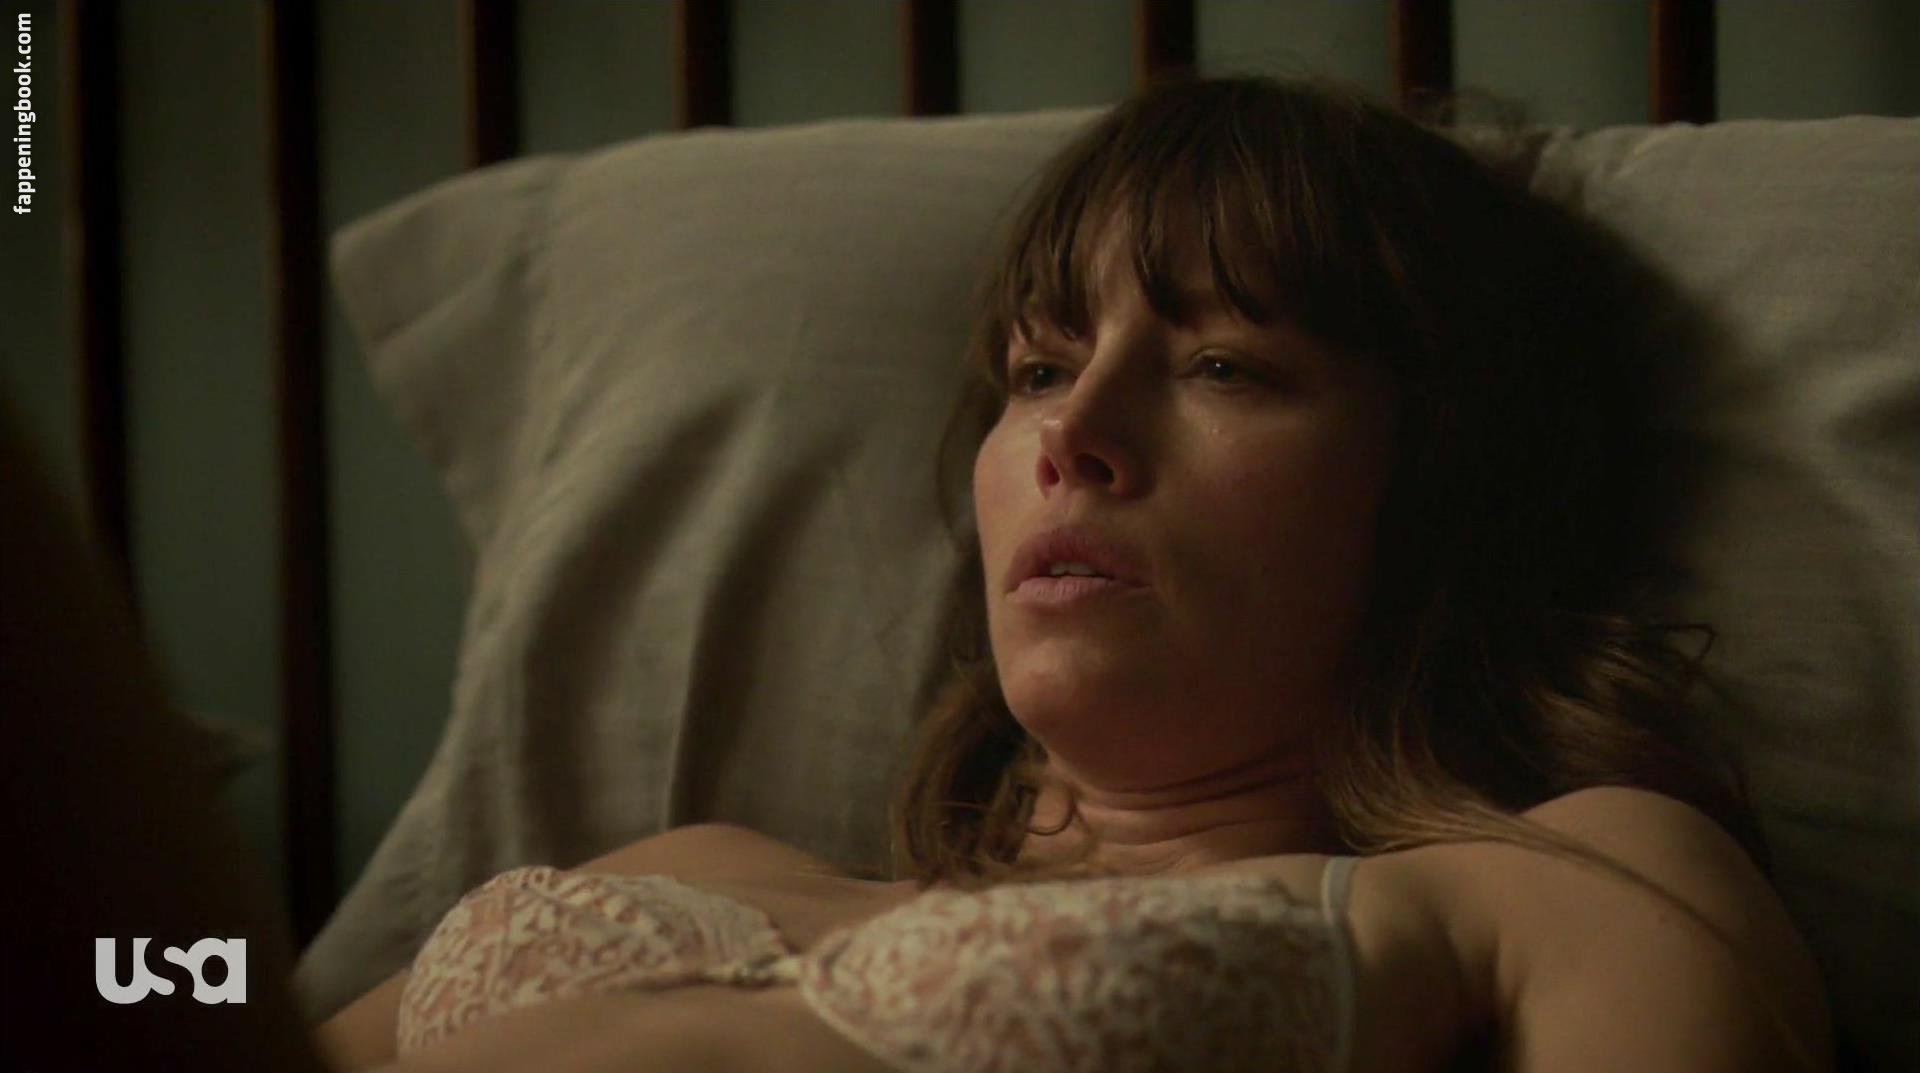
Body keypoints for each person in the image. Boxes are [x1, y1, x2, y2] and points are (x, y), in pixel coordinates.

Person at [4, 72, 1832, 1073]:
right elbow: (205, 1016)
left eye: (1222, 363)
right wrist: (125, 954)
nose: (1074, 432)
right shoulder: (696, 865)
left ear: (1439, 483)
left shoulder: (1560, 885)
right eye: (1037, 367)